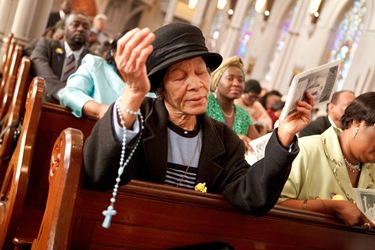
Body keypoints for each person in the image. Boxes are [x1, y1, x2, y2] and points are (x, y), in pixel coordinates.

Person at [83, 23, 313, 220]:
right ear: (161, 87)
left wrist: (283, 137)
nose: (196, 84)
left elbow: (252, 197)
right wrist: (133, 93)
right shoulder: (137, 117)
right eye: (180, 76)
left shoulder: (223, 139)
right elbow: (98, 174)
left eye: (201, 72)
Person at [278, 91, 375, 228]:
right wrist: (332, 207)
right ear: (357, 122)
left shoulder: (371, 166)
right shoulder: (307, 150)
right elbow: (274, 203)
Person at [60, 30, 154, 119]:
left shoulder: (150, 85)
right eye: (129, 52)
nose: (135, 58)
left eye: (141, 54)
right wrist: (100, 110)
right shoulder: (95, 65)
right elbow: (70, 93)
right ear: (115, 53)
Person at [30, 12, 91, 101]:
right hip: (46, 102)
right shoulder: (47, 45)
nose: (81, 29)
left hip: (78, 109)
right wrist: (60, 91)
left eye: (85, 26)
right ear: (64, 28)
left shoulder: (92, 59)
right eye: (75, 24)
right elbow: (38, 63)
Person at [206, 56, 259, 150]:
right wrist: (233, 139)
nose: (236, 83)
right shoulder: (206, 101)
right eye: (230, 78)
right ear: (217, 81)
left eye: (240, 80)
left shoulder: (243, 113)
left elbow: (258, 144)